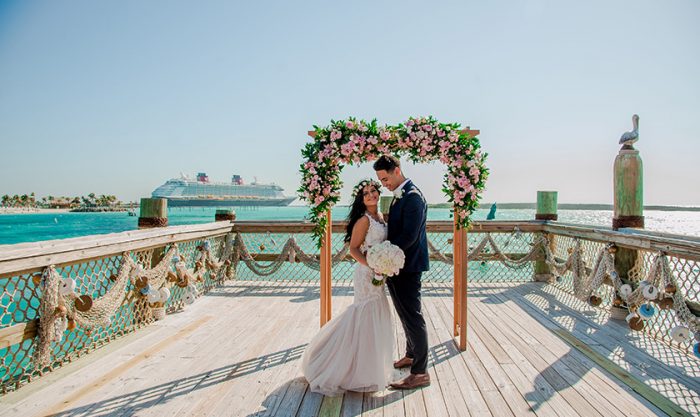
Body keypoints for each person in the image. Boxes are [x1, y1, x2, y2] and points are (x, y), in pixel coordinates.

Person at [301, 179, 394, 396]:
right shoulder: (363, 221)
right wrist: (373, 265)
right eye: (365, 193)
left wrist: (385, 264)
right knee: (363, 315)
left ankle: (370, 370)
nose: (370, 195)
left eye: (373, 191)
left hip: (379, 273)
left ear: (379, 194)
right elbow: (353, 249)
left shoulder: (380, 217)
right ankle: (335, 364)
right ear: (361, 199)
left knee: (376, 315)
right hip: (366, 274)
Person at [374, 154, 431, 389]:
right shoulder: (399, 195)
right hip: (398, 266)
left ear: (397, 170)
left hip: (407, 266)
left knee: (413, 316)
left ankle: (420, 373)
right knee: (404, 313)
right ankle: (411, 354)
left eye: (385, 179)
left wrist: (385, 257)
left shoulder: (413, 198)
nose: (383, 184)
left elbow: (409, 237)